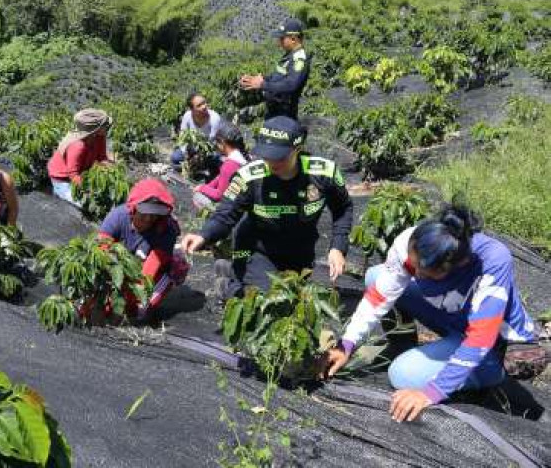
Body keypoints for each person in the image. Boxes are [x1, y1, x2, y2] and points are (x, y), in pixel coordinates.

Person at [322, 205, 546, 423]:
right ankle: (403, 345)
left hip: (492, 339)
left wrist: (431, 393)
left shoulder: (493, 261)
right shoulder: (416, 242)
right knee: (376, 276)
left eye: (423, 272)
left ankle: (490, 372)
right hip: (454, 317)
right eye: (413, 266)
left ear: (452, 267)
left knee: (402, 375)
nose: (414, 273)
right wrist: (346, 345)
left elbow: (480, 338)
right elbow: (379, 297)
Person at [181, 115, 352, 301]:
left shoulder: (323, 173)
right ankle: (227, 287)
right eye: (267, 155)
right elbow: (225, 214)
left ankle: (231, 270)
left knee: (292, 296)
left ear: (298, 149)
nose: (271, 163)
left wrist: (338, 247)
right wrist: (203, 235)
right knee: (269, 300)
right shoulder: (249, 177)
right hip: (256, 247)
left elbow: (343, 208)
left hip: (300, 250)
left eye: (279, 156)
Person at [98, 179, 190, 320]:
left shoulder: (166, 229)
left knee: (138, 313)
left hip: (147, 271)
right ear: (133, 209)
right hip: (118, 265)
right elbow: (102, 249)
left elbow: (149, 271)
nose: (148, 219)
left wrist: (128, 299)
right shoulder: (118, 217)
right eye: (144, 214)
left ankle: (157, 294)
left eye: (153, 215)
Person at [238, 18, 311, 120]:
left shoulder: (299, 59)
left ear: (293, 39)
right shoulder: (289, 55)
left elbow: (291, 85)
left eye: (282, 38)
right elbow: (280, 76)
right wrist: (262, 78)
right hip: (274, 110)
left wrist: (262, 85)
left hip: (285, 113)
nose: (279, 42)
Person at [47, 108, 112, 206]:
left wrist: (109, 170)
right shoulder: (78, 146)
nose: (109, 127)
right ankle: (58, 192)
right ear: (95, 129)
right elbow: (73, 174)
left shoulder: (100, 136)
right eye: (106, 126)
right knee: (85, 205)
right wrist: (88, 190)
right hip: (63, 179)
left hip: (82, 171)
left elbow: (102, 157)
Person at [192, 123, 249, 211]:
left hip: (232, 208)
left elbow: (219, 195)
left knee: (197, 197)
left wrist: (201, 188)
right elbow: (219, 179)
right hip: (241, 202)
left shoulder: (230, 165)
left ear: (222, 142)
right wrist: (206, 187)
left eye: (217, 142)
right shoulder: (241, 158)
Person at [171, 93, 222, 167]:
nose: (204, 106)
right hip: (191, 148)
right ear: (192, 109)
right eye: (199, 105)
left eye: (204, 102)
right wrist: (186, 154)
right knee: (175, 157)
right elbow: (183, 135)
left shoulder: (214, 118)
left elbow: (212, 141)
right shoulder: (187, 116)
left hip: (208, 149)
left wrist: (199, 156)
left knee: (214, 158)